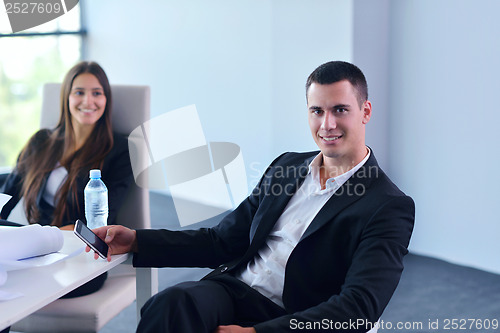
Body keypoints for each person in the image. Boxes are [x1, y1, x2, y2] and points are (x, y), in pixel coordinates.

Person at [90, 61, 415, 333]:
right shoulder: (286, 166)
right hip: (233, 289)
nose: (326, 124)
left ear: (365, 111)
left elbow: (358, 307)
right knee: (171, 304)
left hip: (294, 314)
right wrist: (136, 240)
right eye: (317, 111)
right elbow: (222, 240)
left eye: (340, 110)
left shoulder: (388, 206)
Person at [1, 61, 133, 296]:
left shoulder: (119, 150)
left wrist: (45, 237)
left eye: (97, 93)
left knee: (8, 279)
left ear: (106, 99)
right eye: (79, 92)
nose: (88, 101)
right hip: (34, 248)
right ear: (67, 98)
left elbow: (102, 222)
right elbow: (8, 197)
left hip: (79, 257)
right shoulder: (42, 141)